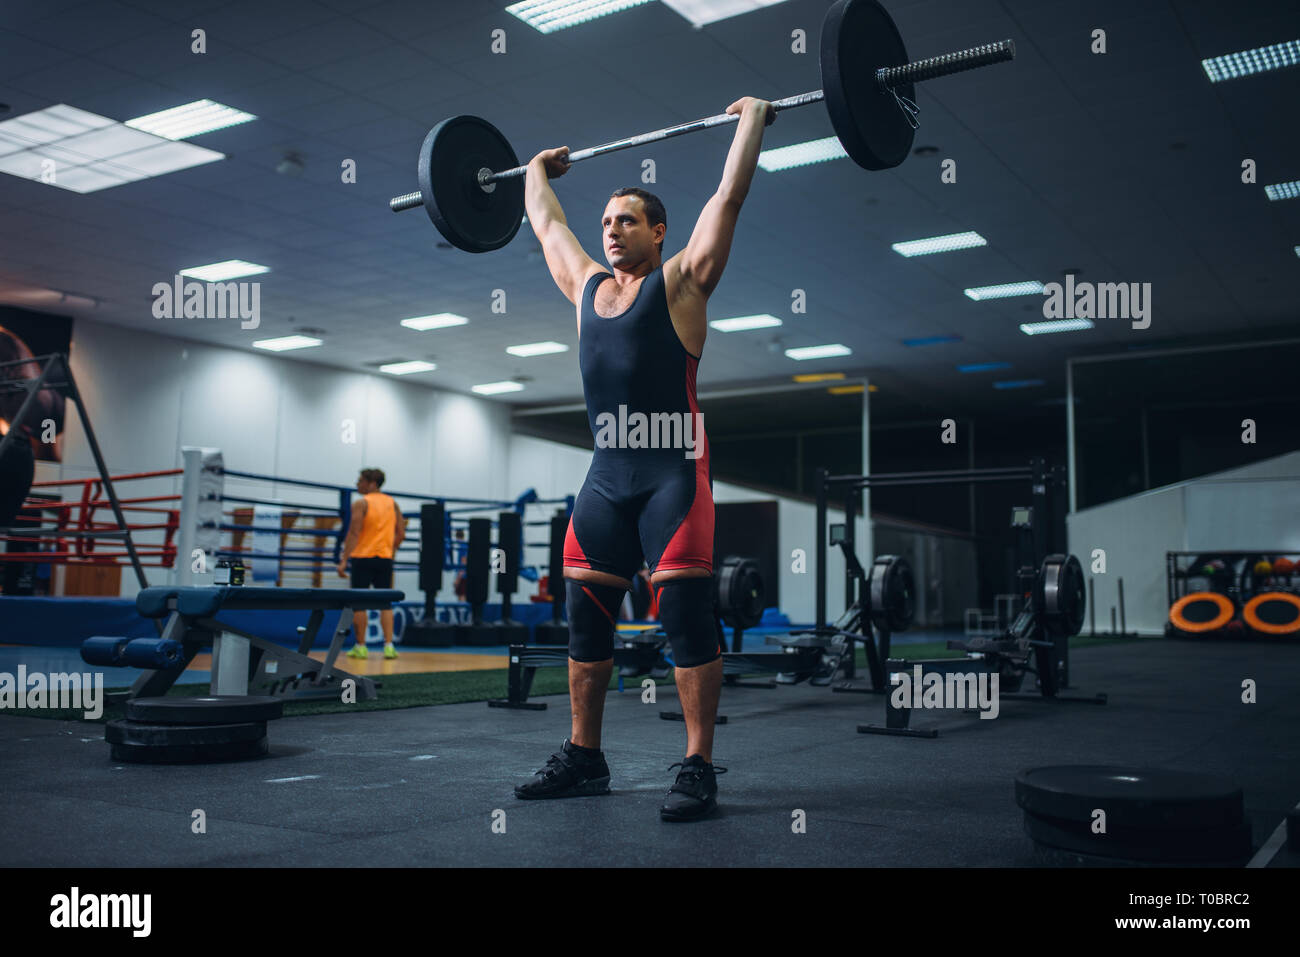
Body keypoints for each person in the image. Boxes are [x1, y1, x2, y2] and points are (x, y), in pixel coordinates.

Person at [513, 96, 775, 821]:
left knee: (687, 619)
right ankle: (585, 756)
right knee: (583, 620)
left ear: (659, 231)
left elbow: (730, 195)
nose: (612, 230)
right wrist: (536, 169)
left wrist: (749, 120)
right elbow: (547, 223)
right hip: (606, 477)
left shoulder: (683, 282)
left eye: (627, 220)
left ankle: (697, 765)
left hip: (672, 476)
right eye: (607, 222)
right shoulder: (585, 285)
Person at [337, 468, 405, 659]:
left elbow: (354, 532)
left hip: (363, 557)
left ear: (372, 483)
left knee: (359, 604)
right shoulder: (393, 503)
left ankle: (361, 646)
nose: (357, 484)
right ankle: (389, 646)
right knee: (385, 603)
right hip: (384, 559)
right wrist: (390, 552)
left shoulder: (361, 503)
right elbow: (401, 533)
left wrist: (343, 560)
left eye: (361, 481)